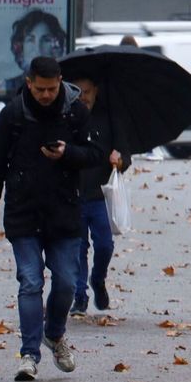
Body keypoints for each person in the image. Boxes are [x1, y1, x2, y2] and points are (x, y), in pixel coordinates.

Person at [0, 56, 103, 381]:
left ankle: (55, 333)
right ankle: (29, 354)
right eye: (40, 89)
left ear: (60, 81)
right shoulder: (14, 115)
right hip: (24, 211)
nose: (46, 95)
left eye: (51, 88)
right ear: (29, 83)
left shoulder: (76, 112)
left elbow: (94, 155)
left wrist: (68, 154)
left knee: (65, 282)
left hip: (63, 212)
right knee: (30, 282)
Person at [70, 77, 130, 317]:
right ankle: (79, 297)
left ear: (95, 91)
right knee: (78, 248)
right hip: (73, 194)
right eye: (78, 92)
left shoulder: (109, 119)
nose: (83, 97)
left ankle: (98, 279)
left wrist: (120, 160)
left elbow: (125, 153)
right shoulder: (69, 117)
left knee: (104, 246)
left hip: (100, 195)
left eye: (87, 92)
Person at [1, 9, 66, 94]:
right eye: (30, 40)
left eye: (46, 39)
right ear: (20, 47)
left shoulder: (67, 89)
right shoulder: (7, 87)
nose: (37, 48)